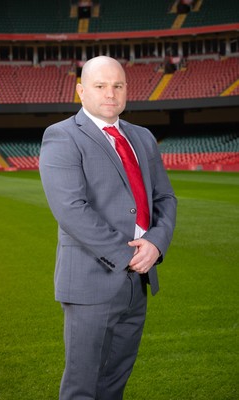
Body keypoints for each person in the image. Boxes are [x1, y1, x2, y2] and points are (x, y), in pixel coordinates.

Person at [39, 55, 177, 400]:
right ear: (81, 91)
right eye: (100, 86)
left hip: (138, 282)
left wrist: (156, 244)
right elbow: (71, 210)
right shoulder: (62, 136)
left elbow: (165, 198)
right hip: (91, 281)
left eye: (118, 85)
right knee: (83, 387)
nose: (111, 93)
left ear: (127, 89)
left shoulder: (142, 137)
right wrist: (126, 254)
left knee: (115, 382)